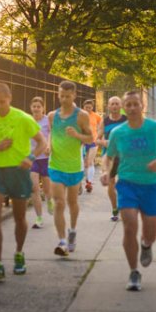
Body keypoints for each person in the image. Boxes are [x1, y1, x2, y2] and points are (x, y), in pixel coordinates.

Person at [100, 90, 156, 291]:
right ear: (124, 107)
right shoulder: (118, 133)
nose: (132, 108)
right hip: (127, 185)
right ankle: (134, 272)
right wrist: (107, 172)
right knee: (129, 226)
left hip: (151, 185)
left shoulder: (155, 128)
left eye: (135, 104)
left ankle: (147, 245)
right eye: (128, 105)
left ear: (142, 106)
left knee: (150, 233)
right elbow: (109, 156)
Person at [0, 83, 47, 280]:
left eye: (2, 101)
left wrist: (30, 158)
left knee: (19, 217)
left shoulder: (23, 118)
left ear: (10, 98)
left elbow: (42, 143)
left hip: (19, 171)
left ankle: (18, 253)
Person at [48, 81, 93, 256]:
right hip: (56, 165)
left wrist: (76, 135)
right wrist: (48, 145)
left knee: (72, 202)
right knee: (59, 202)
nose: (64, 99)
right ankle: (62, 241)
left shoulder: (81, 116)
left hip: (74, 166)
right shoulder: (52, 116)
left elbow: (90, 138)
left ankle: (72, 231)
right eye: (61, 96)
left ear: (74, 95)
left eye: (67, 96)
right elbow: (52, 132)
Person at [96, 96, 127, 221]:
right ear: (108, 106)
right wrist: (104, 142)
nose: (114, 106)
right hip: (109, 157)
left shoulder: (127, 120)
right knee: (110, 183)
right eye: (112, 104)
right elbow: (97, 139)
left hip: (125, 157)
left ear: (121, 106)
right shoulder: (105, 121)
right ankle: (115, 209)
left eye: (116, 104)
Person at [29, 96, 52, 229]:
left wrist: (48, 146)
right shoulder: (28, 121)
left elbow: (50, 134)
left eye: (39, 106)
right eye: (34, 106)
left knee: (47, 189)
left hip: (45, 158)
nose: (36, 108)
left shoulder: (47, 120)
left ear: (43, 108)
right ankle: (39, 217)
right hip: (32, 158)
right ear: (31, 108)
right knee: (34, 188)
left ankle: (49, 200)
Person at [82, 99, 103, 193]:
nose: (88, 109)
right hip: (81, 141)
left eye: (90, 107)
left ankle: (89, 183)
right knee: (83, 163)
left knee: (90, 162)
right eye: (86, 107)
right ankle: (85, 179)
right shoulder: (80, 115)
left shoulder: (96, 116)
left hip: (93, 141)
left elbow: (102, 125)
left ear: (92, 107)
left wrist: (99, 135)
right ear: (83, 107)